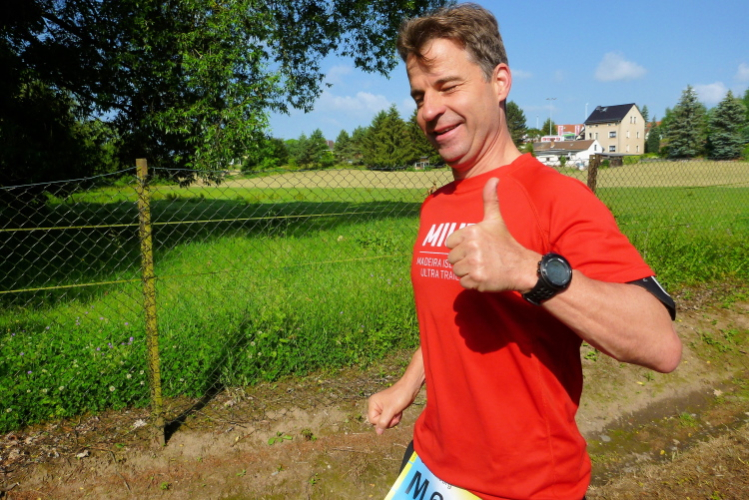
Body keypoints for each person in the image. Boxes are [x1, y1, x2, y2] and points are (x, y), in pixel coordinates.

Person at [367, 4, 682, 499]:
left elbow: (661, 344)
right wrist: (406, 386)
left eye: (448, 87)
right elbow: (452, 319)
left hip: (523, 485)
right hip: (429, 464)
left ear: (499, 82)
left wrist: (530, 271)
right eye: (420, 96)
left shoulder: (555, 197)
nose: (428, 110)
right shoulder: (438, 203)